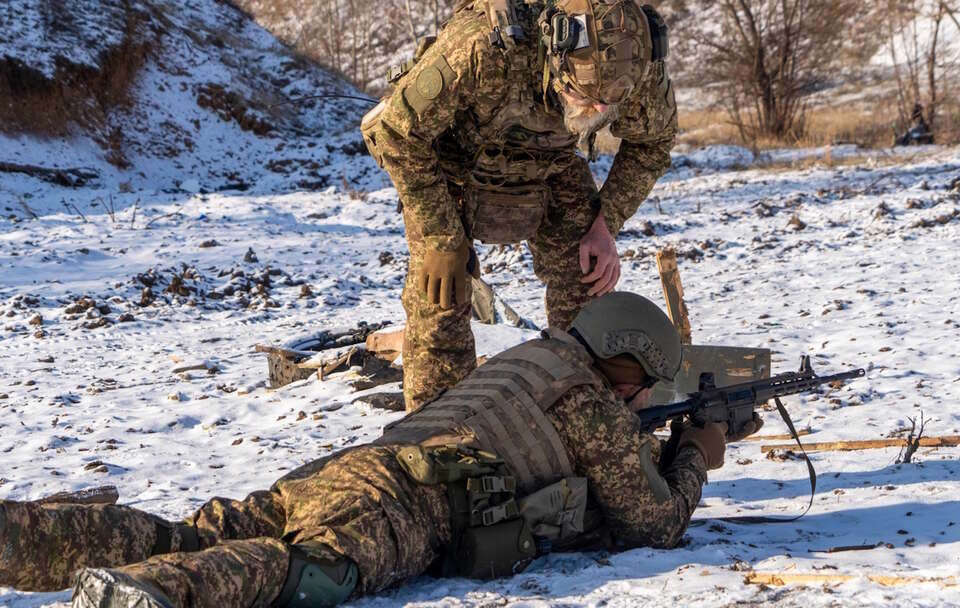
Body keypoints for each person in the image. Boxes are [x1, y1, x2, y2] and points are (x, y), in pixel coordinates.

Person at [0, 293, 760, 608]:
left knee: (194, 528)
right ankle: (158, 596)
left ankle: (17, 540)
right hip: (408, 499)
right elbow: (654, 522)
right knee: (312, 572)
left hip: (349, 467)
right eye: (643, 387)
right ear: (627, 366)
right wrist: (695, 454)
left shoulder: (534, 360)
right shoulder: (590, 403)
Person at [361, 0, 678, 411]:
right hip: (454, 171)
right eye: (585, 95)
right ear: (556, 55)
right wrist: (441, 236)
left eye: (609, 103)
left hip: (552, 168)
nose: (599, 110)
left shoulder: (632, 59)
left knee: (587, 282)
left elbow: (654, 142)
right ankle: (435, 440)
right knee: (441, 299)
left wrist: (606, 221)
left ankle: (583, 419)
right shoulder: (480, 47)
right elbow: (395, 134)